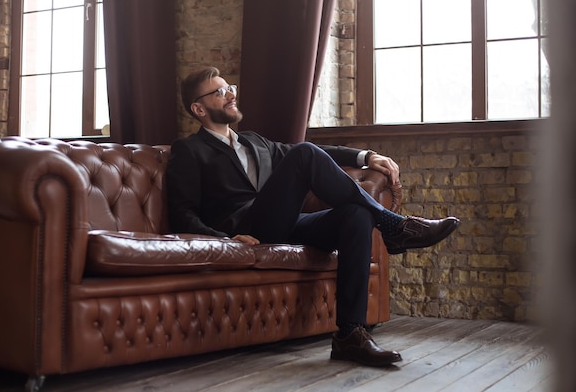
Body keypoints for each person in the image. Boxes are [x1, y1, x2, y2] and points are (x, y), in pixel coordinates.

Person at [166, 66, 460, 367]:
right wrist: (226, 239)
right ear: (199, 108)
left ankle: (350, 335)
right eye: (219, 91)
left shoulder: (255, 142)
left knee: (356, 215)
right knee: (304, 154)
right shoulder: (189, 150)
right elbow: (181, 214)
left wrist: (367, 156)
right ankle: (394, 225)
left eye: (230, 87)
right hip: (246, 229)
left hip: (284, 223)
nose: (230, 94)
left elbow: (319, 153)